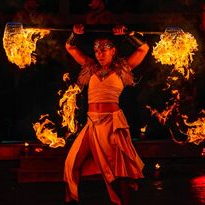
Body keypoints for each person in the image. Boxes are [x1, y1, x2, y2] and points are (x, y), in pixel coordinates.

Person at [64, 24, 149, 205]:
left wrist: (128, 33)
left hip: (112, 124)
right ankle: (70, 199)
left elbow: (143, 48)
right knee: (71, 162)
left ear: (113, 51)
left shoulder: (123, 68)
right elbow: (70, 47)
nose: (99, 54)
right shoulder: (90, 67)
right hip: (92, 124)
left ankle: (123, 202)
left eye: (104, 50)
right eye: (96, 50)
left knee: (118, 168)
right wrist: (74, 34)